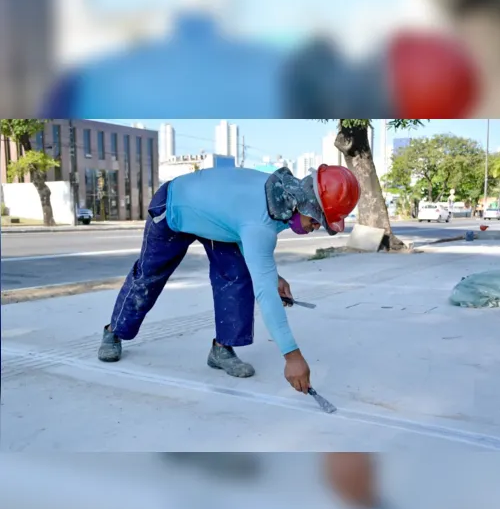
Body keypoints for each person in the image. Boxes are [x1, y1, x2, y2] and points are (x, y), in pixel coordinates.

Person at [97, 164, 360, 393]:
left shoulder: (281, 198)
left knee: (235, 276)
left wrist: (275, 276)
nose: (315, 229)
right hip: (174, 207)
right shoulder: (263, 220)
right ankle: (114, 332)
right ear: (305, 204)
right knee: (149, 276)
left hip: (217, 222)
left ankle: (222, 349)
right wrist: (292, 356)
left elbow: (241, 227)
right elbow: (265, 291)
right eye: (317, 222)